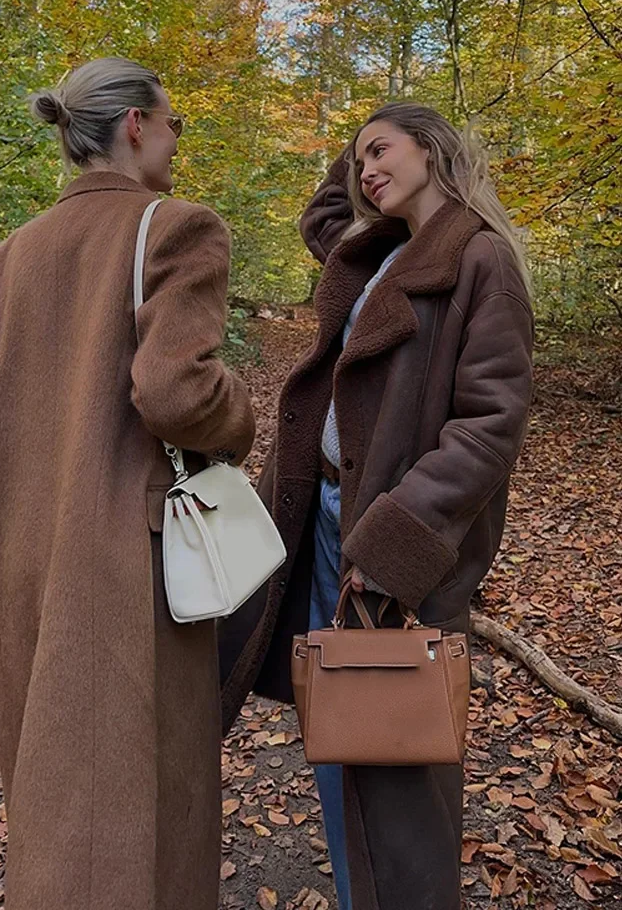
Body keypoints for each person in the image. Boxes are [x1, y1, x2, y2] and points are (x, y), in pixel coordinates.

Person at [0, 57, 255, 910]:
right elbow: (175, 392)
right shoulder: (176, 228)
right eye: (174, 124)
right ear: (135, 125)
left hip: (16, 555)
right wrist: (241, 416)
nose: (174, 140)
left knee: (49, 791)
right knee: (138, 797)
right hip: (125, 562)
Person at [220, 102, 533, 910]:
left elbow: (491, 426)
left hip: (394, 541)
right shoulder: (379, 248)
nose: (364, 172)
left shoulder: (480, 260)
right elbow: (324, 211)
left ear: (433, 149)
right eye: (358, 160)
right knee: (342, 731)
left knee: (398, 759)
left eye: (383, 152)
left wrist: (394, 542)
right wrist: (364, 138)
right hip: (324, 522)